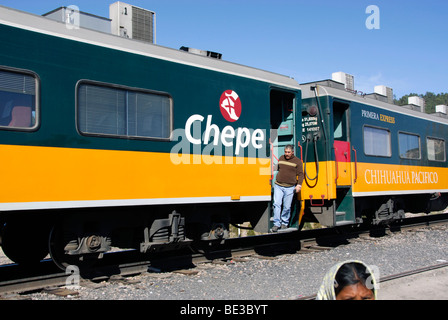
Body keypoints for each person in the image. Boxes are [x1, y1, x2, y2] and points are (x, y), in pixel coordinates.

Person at [271, 144, 304, 232]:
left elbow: (301, 174)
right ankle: (276, 224)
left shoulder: (297, 161)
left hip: (289, 187)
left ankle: (284, 223)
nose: (287, 154)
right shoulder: (281, 158)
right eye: (285, 152)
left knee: (287, 207)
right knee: (277, 204)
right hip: (278, 185)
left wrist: (299, 185)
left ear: (292, 152)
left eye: (288, 152)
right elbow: (278, 167)